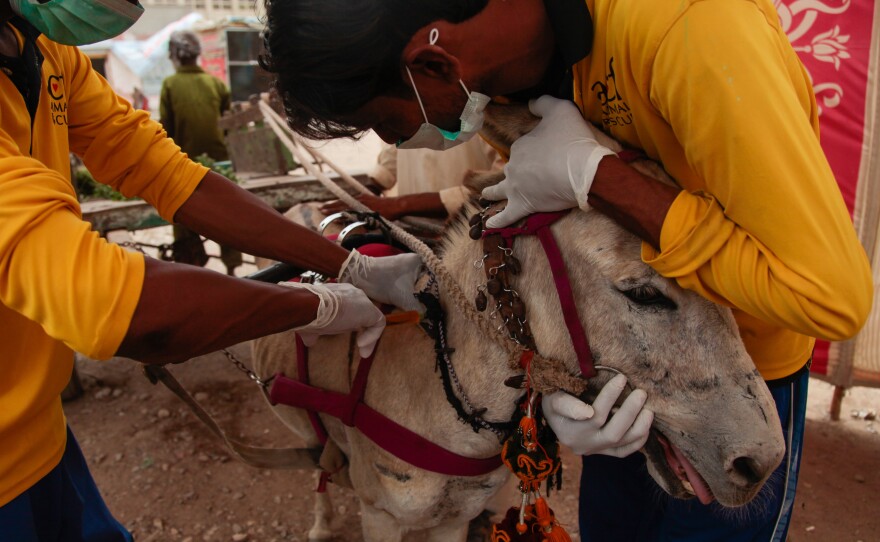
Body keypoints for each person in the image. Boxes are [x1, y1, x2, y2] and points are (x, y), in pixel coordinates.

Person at [259, 0, 873, 540]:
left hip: (736, 374)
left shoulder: (692, 29)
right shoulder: (504, 91)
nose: (413, 139)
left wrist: (598, 175)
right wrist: (548, 379)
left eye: (391, 123)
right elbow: (550, 253)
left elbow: (828, 298)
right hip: (610, 380)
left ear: (434, 64)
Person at [0, 1, 422, 540]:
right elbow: (128, 311)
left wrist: (347, 264)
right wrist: (319, 303)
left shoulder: (46, 52)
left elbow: (164, 169)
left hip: (41, 437)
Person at [159, 29, 239, 272]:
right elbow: (227, 126)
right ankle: (233, 266)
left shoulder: (170, 85)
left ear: (174, 55)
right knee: (227, 217)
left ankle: (191, 266)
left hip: (184, 166)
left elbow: (166, 131)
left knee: (181, 213)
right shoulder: (216, 83)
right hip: (221, 165)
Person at [320, 137, 501, 221]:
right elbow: (395, 148)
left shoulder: (482, 105)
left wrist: (399, 205)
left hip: (466, 235)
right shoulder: (407, 94)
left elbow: (500, 183)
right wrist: (369, 191)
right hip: (413, 229)